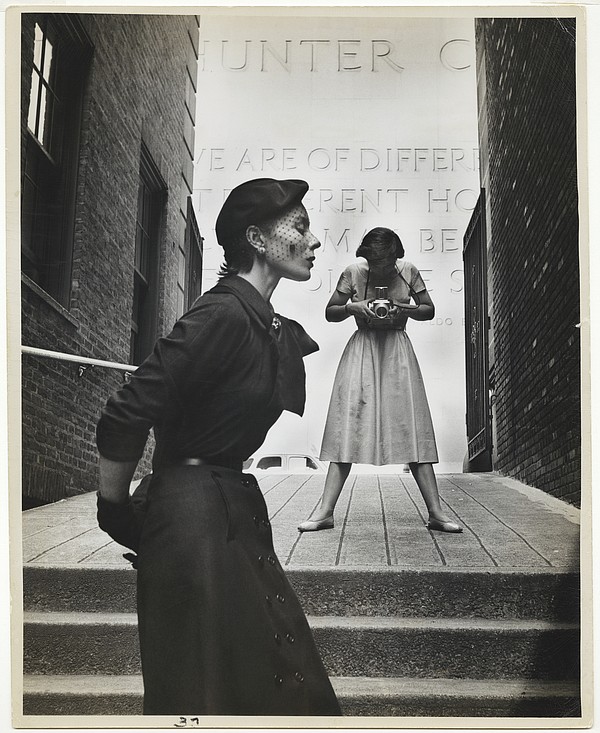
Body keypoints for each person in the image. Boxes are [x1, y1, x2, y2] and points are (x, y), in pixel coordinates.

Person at [95, 178, 341, 716]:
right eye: (299, 227)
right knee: (200, 689)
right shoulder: (222, 315)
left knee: (276, 683)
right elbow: (128, 409)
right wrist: (113, 509)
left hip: (231, 509)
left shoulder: (262, 322)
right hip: (191, 520)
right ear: (256, 237)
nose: (313, 240)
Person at [298, 226, 462, 535]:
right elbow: (330, 312)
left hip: (397, 351)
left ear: (396, 256)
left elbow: (428, 310)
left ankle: (436, 512)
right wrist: (352, 307)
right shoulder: (353, 272)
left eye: (385, 263)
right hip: (362, 351)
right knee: (347, 425)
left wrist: (405, 309)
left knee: (411, 425)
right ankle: (324, 511)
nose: (380, 269)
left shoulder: (408, 270)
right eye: (374, 264)